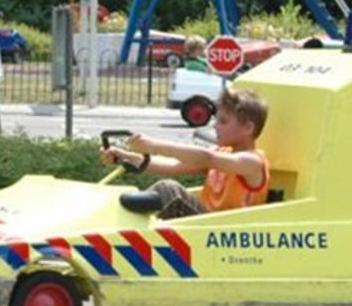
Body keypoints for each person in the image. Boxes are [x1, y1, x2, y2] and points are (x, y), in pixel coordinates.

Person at [102, 87, 270, 219]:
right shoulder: (221, 153)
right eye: (216, 120)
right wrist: (126, 156)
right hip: (208, 229)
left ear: (248, 128)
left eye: (223, 121)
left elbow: (207, 158)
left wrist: (154, 145)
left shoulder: (252, 162)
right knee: (164, 189)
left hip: (228, 235)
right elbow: (173, 166)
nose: (215, 126)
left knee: (170, 191)